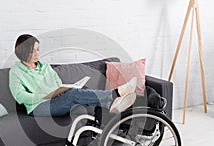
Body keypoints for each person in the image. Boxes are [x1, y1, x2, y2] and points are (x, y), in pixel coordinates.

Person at [9, 34, 137, 117]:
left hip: (56, 98)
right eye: (33, 51)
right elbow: (20, 96)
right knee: (74, 95)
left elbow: (57, 82)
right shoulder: (16, 71)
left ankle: (110, 104)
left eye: (38, 49)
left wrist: (61, 90)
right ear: (23, 51)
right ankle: (114, 94)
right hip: (38, 107)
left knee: (82, 89)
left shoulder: (45, 66)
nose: (37, 54)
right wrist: (44, 96)